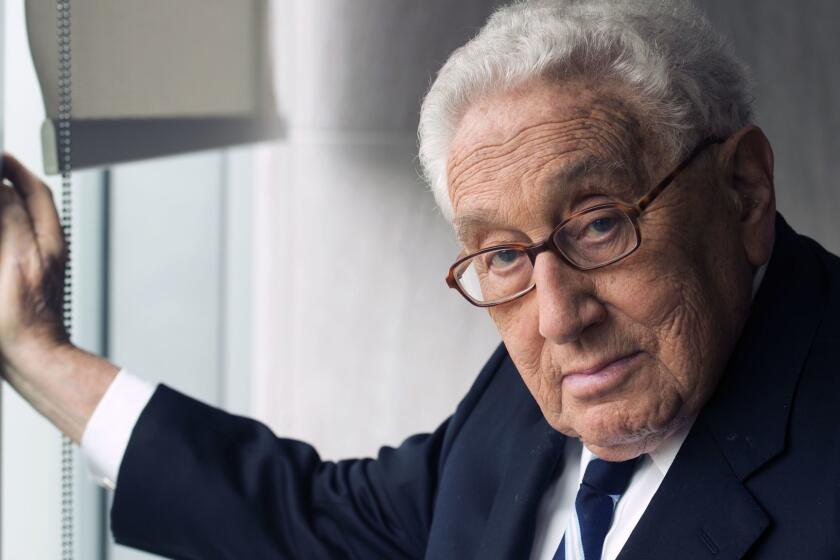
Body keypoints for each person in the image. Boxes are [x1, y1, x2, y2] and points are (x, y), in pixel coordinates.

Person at [1, 0, 838, 558]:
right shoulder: (548, 384)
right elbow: (320, 524)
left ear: (743, 191)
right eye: (504, 254)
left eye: (598, 223)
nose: (555, 318)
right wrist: (36, 351)